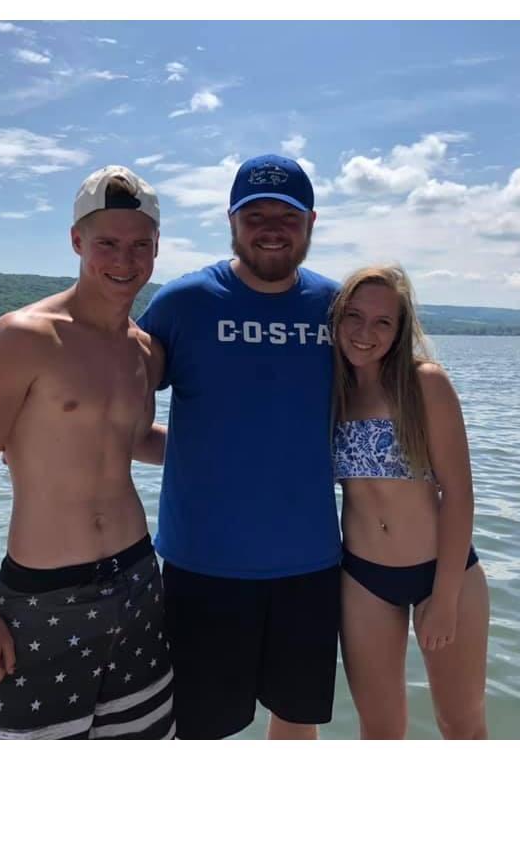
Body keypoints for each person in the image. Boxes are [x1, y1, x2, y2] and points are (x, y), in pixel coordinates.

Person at [0, 165, 174, 740]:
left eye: (140, 246)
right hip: (46, 598)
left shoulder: (145, 350)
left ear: (156, 249)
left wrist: (233, 447)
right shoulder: (21, 339)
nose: (124, 261)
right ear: (77, 242)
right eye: (108, 245)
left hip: (140, 579)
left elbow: (136, 440)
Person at [138, 154, 341, 739]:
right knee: (202, 728)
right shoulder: (183, 304)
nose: (271, 226)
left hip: (310, 562)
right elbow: (113, 412)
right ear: (231, 219)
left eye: (288, 214)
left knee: (297, 719)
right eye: (256, 214)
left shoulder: (336, 307)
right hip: (203, 563)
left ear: (311, 223)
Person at [331, 265, 489, 739]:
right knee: (379, 731)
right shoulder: (330, 391)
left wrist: (444, 598)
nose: (365, 333)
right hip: (363, 578)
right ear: (337, 319)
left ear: (400, 330)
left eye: (383, 322)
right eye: (354, 317)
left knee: (459, 724)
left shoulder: (425, 384)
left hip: (444, 573)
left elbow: (459, 494)